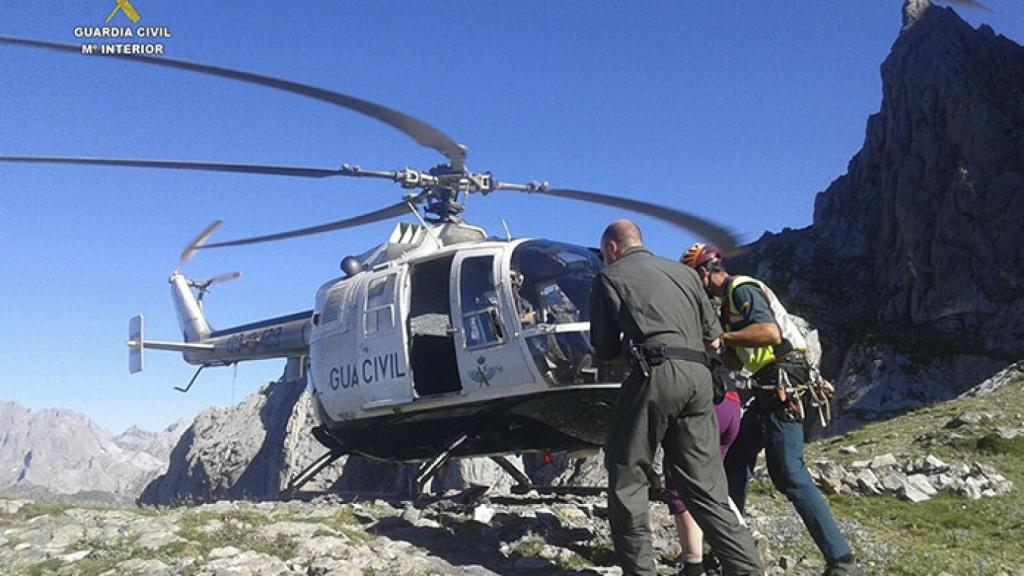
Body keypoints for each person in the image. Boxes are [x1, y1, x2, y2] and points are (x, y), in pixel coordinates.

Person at [590, 220, 762, 576]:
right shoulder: (684, 276)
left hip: (654, 374)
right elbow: (713, 338)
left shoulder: (610, 276)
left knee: (627, 474)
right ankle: (746, 569)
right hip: (701, 381)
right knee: (707, 488)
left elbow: (604, 349)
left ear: (612, 249)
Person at [680, 242, 862, 576]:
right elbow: (736, 362)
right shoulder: (727, 307)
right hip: (767, 386)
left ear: (705, 272)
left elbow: (769, 332)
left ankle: (842, 560)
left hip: (784, 381)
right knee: (734, 462)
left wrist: (724, 338)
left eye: (695, 279)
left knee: (789, 473)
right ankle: (730, 549)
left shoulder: (741, 289)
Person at [664, 379, 743, 576]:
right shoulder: (714, 347)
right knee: (711, 483)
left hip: (702, 407)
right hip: (731, 403)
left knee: (680, 485)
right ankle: (744, 549)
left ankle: (693, 566)